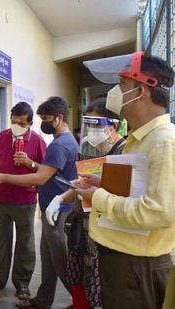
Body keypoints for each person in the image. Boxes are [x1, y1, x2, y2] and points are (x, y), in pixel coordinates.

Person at [78, 52, 175, 308]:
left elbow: (160, 211)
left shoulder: (164, 142)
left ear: (141, 91)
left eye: (121, 85)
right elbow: (135, 190)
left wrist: (100, 198)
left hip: (138, 268)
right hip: (124, 263)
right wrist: (101, 184)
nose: (115, 92)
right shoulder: (142, 138)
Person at [0, 96, 78, 309]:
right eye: (14, 121)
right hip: (35, 204)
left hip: (48, 208)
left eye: (45, 118)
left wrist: (8, 174)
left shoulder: (54, 144)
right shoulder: (3, 137)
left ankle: (81, 301)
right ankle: (42, 300)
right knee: (47, 261)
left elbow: (41, 175)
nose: (43, 123)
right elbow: (51, 175)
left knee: (57, 259)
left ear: (58, 118)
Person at [48, 98, 126, 309]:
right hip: (83, 227)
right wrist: (61, 198)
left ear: (114, 125)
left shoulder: (123, 153)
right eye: (88, 125)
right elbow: (83, 184)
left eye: (96, 125)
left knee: (98, 282)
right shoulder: (92, 149)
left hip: (106, 235)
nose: (91, 131)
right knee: (80, 274)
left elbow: (121, 194)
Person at [0, 102, 47, 303]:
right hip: (0, 199)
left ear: (30, 123)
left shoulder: (37, 141)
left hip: (25, 200)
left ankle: (23, 284)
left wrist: (30, 162)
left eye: (21, 123)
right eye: (13, 121)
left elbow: (45, 171)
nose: (16, 126)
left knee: (25, 244)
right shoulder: (2, 136)